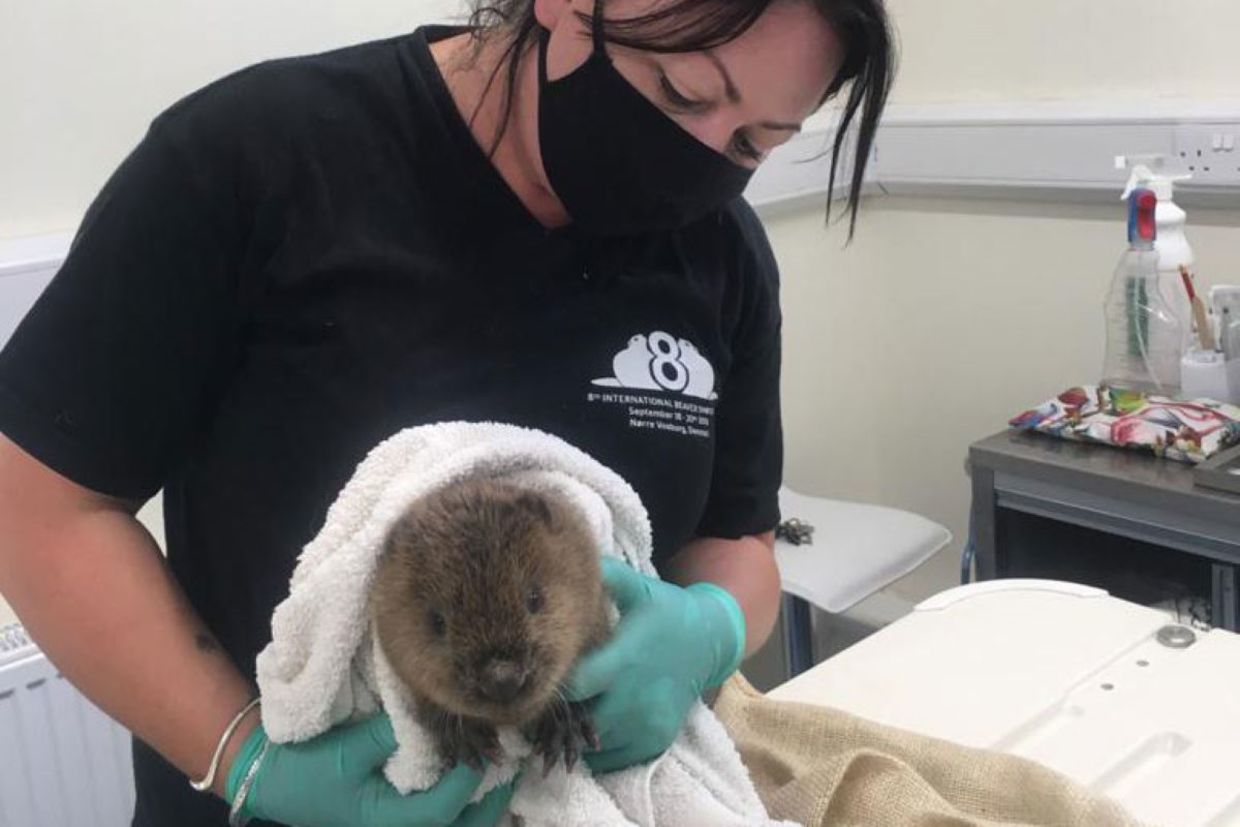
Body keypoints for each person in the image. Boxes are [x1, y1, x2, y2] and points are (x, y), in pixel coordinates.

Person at [0, 0, 893, 824]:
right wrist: (243, 756)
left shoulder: (722, 254)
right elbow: (36, 501)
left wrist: (710, 629)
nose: (702, 151)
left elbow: (738, 539)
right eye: (682, 88)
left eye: (753, 143)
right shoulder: (255, 158)